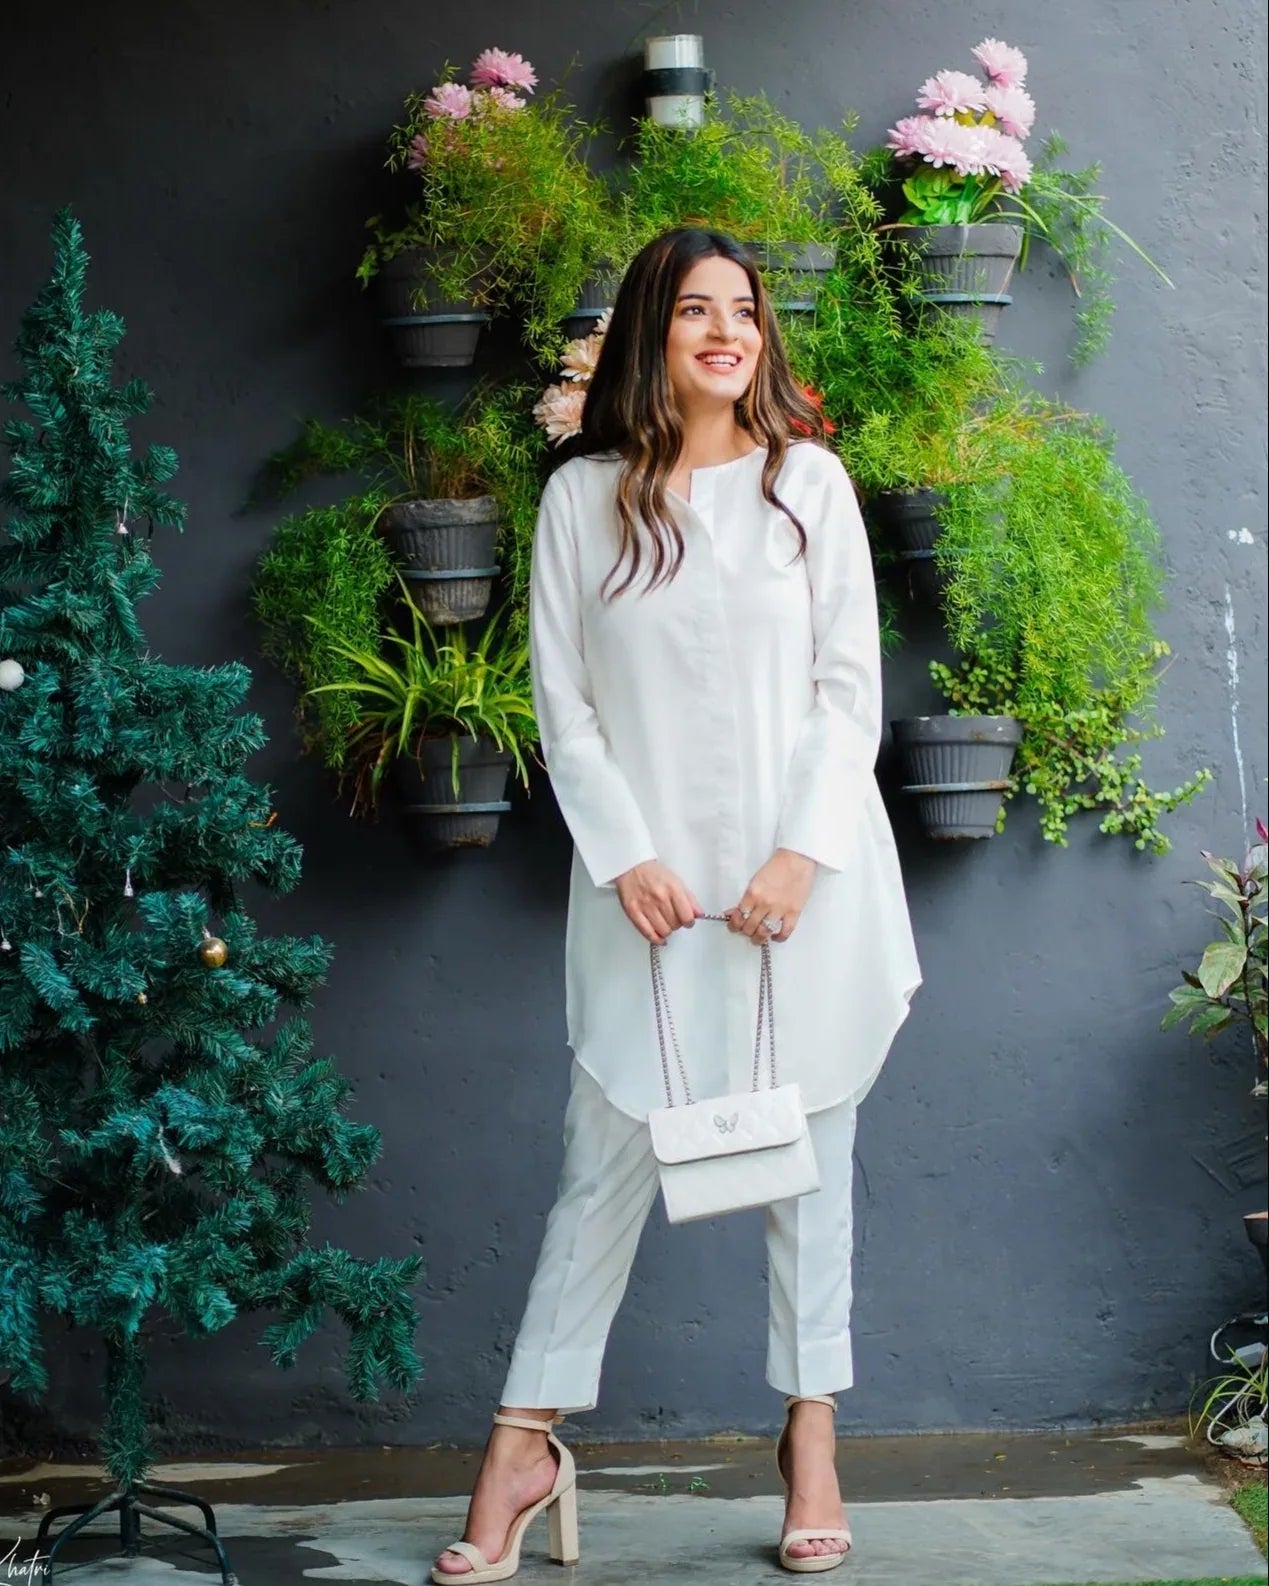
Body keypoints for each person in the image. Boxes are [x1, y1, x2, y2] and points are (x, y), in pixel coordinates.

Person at [432, 226, 922, 1583]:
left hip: (802, 882)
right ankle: (522, 1444)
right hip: (645, 892)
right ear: (650, 331)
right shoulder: (580, 501)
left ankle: (810, 1437)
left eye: (744, 311)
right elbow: (565, 704)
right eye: (697, 309)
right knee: (602, 1162)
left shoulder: (805, 485)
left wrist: (799, 855)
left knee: (807, 1163)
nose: (727, 332)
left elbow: (847, 692)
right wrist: (625, 853)